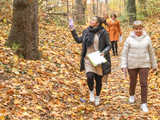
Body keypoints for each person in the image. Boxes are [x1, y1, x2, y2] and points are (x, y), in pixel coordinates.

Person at [70, 16, 111, 106]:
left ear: (97, 23)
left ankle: (98, 97)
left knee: (98, 80)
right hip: (88, 58)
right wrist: (73, 30)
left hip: (98, 58)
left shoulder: (103, 32)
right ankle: (91, 92)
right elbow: (78, 40)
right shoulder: (86, 31)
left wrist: (104, 52)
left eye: (93, 20)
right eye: (91, 19)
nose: (90, 21)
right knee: (89, 76)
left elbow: (109, 45)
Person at [121, 20, 157, 112]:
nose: (138, 30)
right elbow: (124, 53)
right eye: (136, 29)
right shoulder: (129, 39)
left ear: (142, 28)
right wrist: (123, 65)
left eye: (140, 28)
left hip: (144, 64)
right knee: (133, 81)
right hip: (132, 64)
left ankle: (144, 103)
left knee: (144, 83)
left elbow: (151, 52)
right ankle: (132, 95)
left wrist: (154, 65)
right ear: (133, 29)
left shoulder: (147, 38)